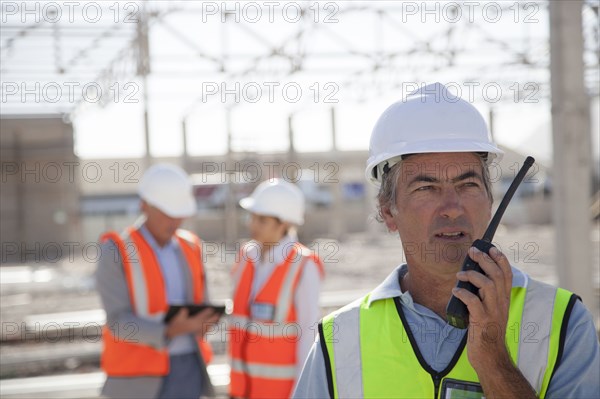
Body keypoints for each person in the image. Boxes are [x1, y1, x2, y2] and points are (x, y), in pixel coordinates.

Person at [293, 83, 600, 398]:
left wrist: (494, 361)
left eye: (467, 184)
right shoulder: (339, 339)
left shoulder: (562, 323)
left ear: (490, 200)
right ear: (388, 211)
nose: (452, 209)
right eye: (426, 188)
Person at [95, 163, 221, 399]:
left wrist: (206, 319)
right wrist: (169, 331)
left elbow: (202, 303)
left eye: (179, 214)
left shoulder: (191, 246)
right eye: (166, 212)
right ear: (144, 204)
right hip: (136, 379)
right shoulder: (116, 250)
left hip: (189, 370)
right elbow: (117, 321)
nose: (174, 221)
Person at [228, 178, 325, 399]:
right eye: (252, 217)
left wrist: (301, 393)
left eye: (262, 220)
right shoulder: (246, 256)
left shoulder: (303, 265)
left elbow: (307, 335)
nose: (252, 224)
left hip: (281, 393)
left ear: (284, 224)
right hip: (241, 390)